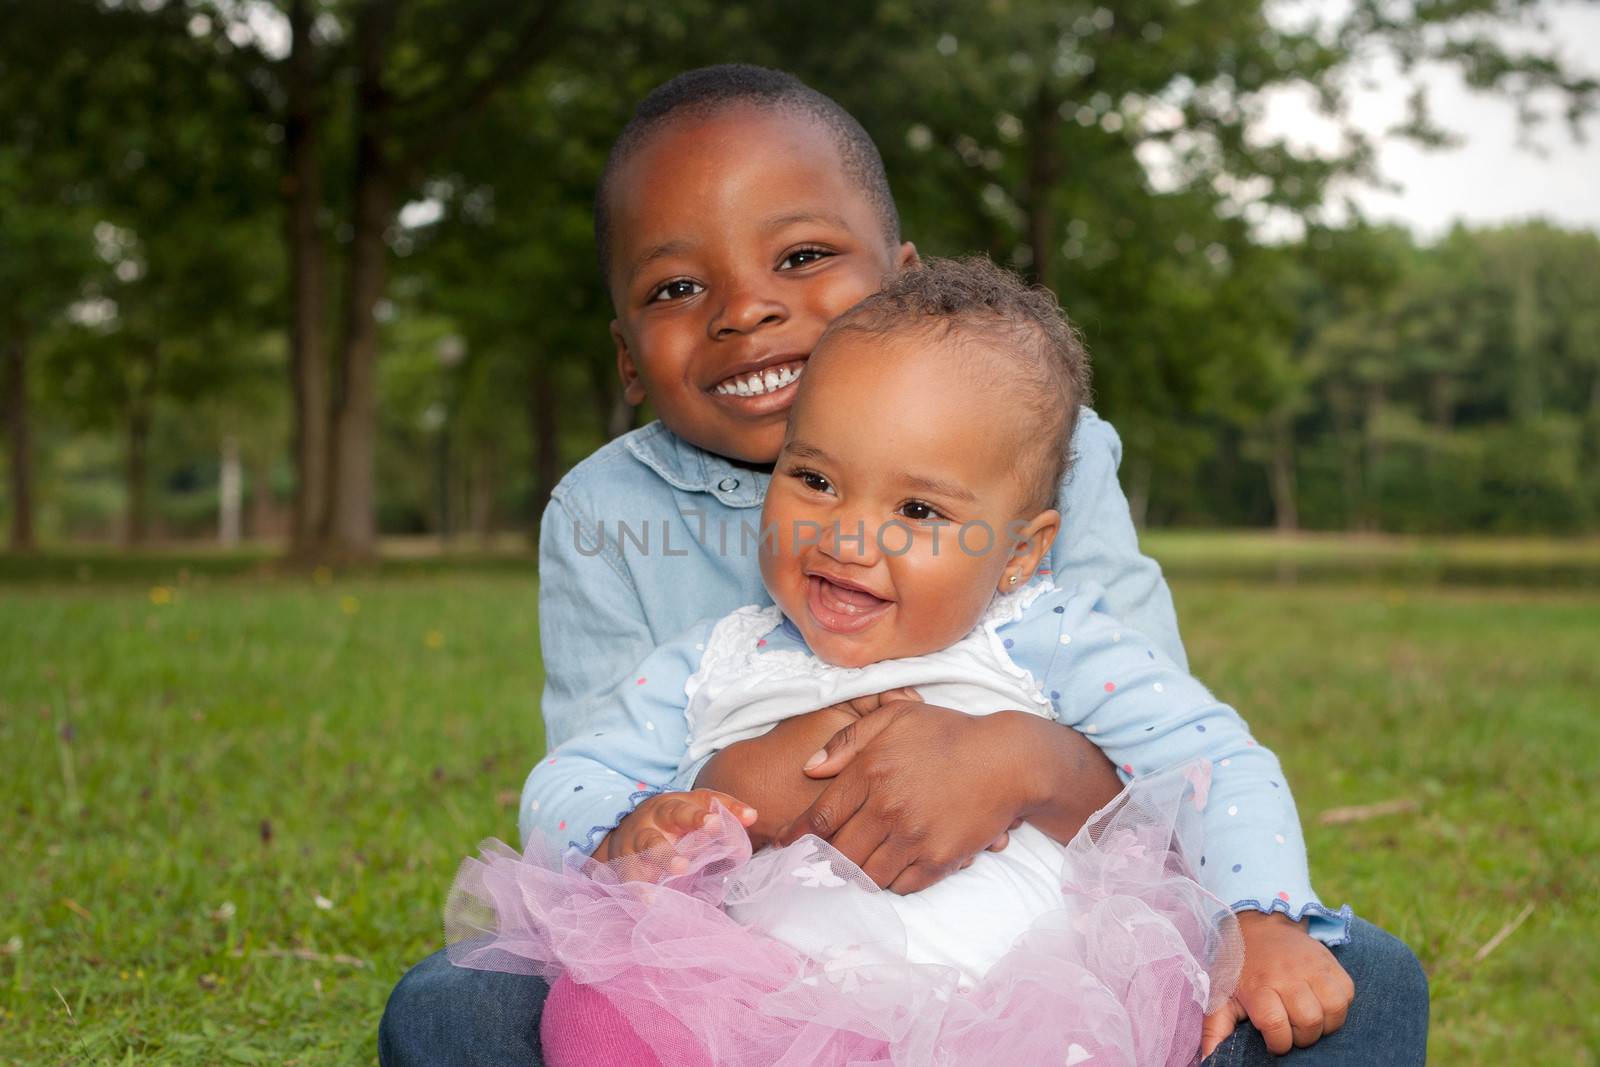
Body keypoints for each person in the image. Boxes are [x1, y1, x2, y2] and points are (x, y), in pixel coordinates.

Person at [379, 66, 1428, 1067]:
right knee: (454, 1005)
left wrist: (1018, 764)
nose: (743, 309)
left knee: (1358, 979)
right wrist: (683, 810)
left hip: (1031, 949)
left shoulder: (1046, 488)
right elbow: (589, 790)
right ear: (625, 357)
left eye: (799, 257)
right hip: (747, 959)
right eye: (677, 285)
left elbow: (1183, 761)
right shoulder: (640, 556)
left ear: (905, 280)